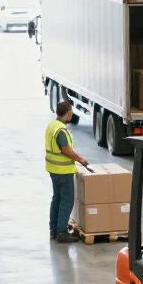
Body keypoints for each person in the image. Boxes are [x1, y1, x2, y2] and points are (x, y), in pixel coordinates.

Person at [45, 100, 89, 243]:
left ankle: (54, 230)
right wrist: (80, 159)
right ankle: (62, 232)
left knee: (57, 198)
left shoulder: (52, 125)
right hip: (63, 171)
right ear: (68, 113)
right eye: (71, 112)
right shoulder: (61, 131)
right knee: (67, 200)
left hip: (53, 169)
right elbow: (66, 150)